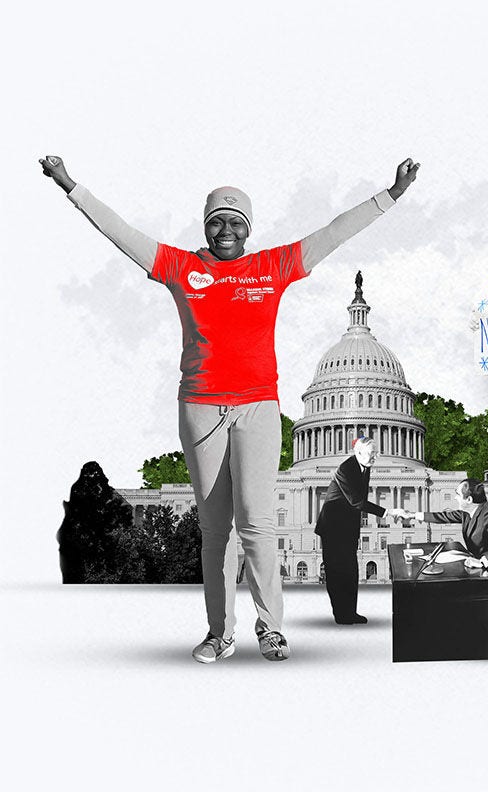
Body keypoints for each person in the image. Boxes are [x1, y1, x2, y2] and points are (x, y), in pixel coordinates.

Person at [40, 154, 420, 663]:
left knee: (258, 523)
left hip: (258, 408)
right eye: (216, 221)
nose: (225, 230)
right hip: (200, 406)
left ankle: (271, 628)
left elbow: (332, 233)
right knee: (215, 527)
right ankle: (220, 632)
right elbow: (123, 234)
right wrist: (71, 185)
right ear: (206, 227)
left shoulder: (272, 266)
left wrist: (390, 194)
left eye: (235, 222)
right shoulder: (182, 267)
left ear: (247, 230)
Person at [406, 478, 488, 658]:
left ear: (469, 500)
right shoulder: (469, 512)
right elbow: (443, 516)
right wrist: (412, 515)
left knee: (460, 592)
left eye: (458, 495)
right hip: (487, 574)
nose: (454, 498)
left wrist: (482, 561)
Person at [315, 437, 403, 624]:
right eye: (372, 453)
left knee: (351, 571)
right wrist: (387, 512)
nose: (375, 457)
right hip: (333, 527)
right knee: (336, 572)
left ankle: (351, 612)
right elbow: (357, 501)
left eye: (376, 453)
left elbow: (358, 501)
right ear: (359, 453)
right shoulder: (346, 469)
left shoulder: (365, 466)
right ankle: (341, 615)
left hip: (347, 527)